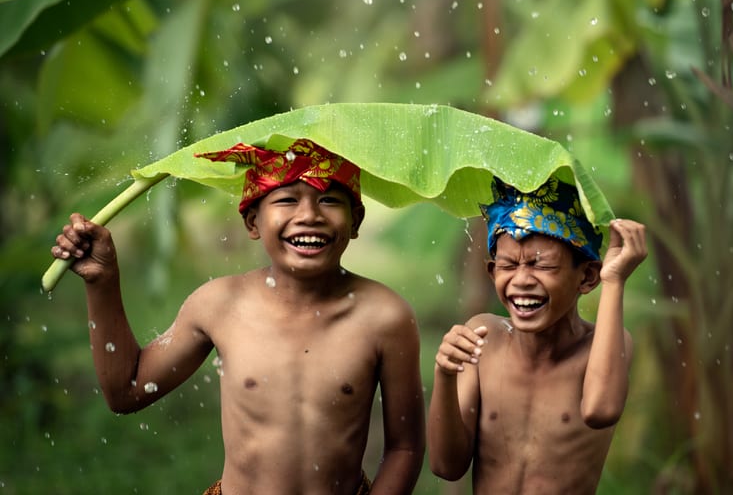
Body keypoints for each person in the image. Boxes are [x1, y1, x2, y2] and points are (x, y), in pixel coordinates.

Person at [52, 138, 426, 494]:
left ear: (355, 220)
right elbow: (127, 391)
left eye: (329, 199)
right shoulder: (220, 304)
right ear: (252, 222)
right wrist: (103, 281)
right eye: (287, 199)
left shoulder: (385, 317)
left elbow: (405, 448)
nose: (309, 215)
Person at [428, 176, 647, 494]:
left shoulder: (603, 347)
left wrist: (614, 281)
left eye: (541, 266)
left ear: (586, 277)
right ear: (492, 273)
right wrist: (444, 375)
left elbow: (601, 411)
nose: (522, 280)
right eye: (508, 265)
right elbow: (446, 466)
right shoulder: (483, 338)